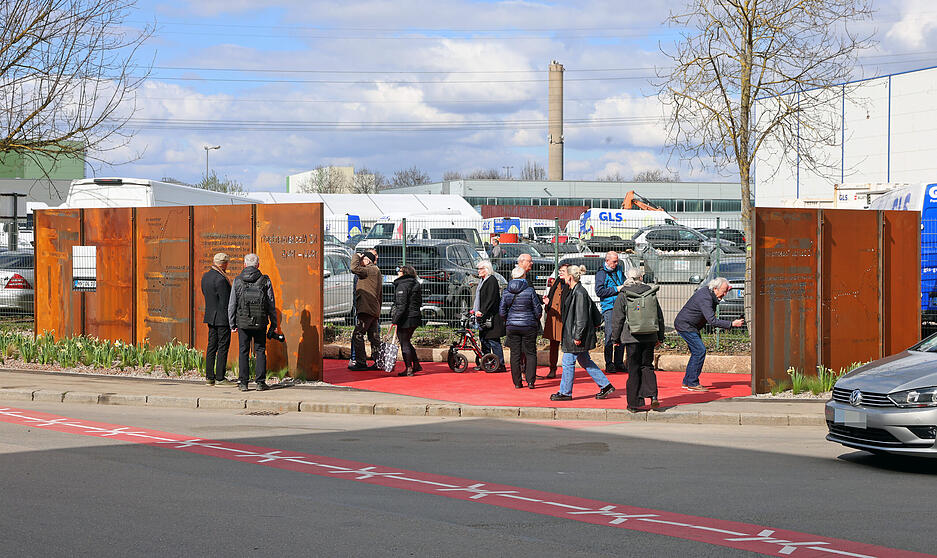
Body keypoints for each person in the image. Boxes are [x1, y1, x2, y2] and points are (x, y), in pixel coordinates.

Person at [550, 265, 615, 401]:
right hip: (575, 333)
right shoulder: (575, 290)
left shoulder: (579, 293)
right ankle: (605, 385)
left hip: (575, 335)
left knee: (568, 363)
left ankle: (565, 392)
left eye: (565, 274)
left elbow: (581, 317)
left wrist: (577, 336)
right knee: (585, 360)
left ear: (571, 277)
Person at [674, 277, 745, 391]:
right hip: (686, 326)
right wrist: (731, 324)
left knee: (696, 352)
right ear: (715, 288)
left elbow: (715, 303)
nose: (725, 294)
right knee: (699, 351)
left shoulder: (709, 293)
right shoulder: (705, 297)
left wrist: (725, 289)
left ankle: (688, 381)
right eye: (724, 291)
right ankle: (692, 382)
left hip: (690, 326)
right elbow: (712, 320)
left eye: (727, 291)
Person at [610, 267, 665, 411]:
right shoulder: (650, 292)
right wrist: (660, 336)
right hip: (649, 335)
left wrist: (615, 338)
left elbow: (618, 318)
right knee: (647, 366)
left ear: (627, 278)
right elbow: (658, 315)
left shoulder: (624, 294)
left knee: (633, 369)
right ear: (641, 278)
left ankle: (634, 404)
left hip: (631, 337)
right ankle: (653, 395)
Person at [227, 253, 277, 392]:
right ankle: (260, 382)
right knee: (260, 350)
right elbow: (271, 304)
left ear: (244, 265)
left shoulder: (237, 281)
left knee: (243, 351)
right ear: (258, 265)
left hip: (242, 322)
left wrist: (232, 324)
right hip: (260, 321)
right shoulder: (265, 281)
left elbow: (232, 304)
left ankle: (243, 383)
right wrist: (274, 323)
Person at [500, 266, 543, 389]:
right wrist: (534, 319)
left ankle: (517, 382)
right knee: (530, 353)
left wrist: (508, 320)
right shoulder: (529, 291)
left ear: (513, 277)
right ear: (524, 276)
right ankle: (530, 381)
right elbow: (538, 309)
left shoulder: (506, 291)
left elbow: (502, 311)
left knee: (515, 354)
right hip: (529, 325)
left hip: (512, 326)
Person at [201, 252, 232, 386]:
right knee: (223, 347)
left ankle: (209, 377)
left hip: (210, 316)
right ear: (224, 263)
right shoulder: (221, 279)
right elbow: (226, 302)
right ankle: (220, 377)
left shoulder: (206, 276)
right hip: (222, 318)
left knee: (211, 346)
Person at [349, 249, 383, 371]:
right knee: (374, 337)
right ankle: (379, 361)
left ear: (367, 260)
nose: (361, 261)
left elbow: (354, 268)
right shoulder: (376, 271)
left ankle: (361, 362)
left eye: (363, 259)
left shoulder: (369, 270)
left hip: (366, 309)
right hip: (373, 309)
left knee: (358, 334)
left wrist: (356, 256)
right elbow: (380, 293)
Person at [594, 251, 626, 374]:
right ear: (607, 261)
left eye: (617, 261)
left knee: (621, 335)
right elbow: (599, 292)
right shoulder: (601, 274)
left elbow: (624, 282)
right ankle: (609, 363)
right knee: (610, 335)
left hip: (621, 306)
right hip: (609, 307)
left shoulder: (619, 270)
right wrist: (616, 289)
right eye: (614, 261)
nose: (616, 263)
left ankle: (619, 362)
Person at [390, 264, 423, 376]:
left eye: (399, 271)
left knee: (404, 342)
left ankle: (408, 368)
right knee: (407, 342)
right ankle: (416, 364)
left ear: (404, 273)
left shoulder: (402, 285)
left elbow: (401, 305)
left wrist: (395, 320)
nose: (398, 272)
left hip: (406, 318)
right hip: (415, 316)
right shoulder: (415, 283)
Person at [474, 259, 506, 372]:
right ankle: (485, 363)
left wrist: (482, 311)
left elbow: (491, 299)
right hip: (484, 317)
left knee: (493, 340)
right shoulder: (482, 281)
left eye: (480, 269)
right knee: (484, 340)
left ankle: (500, 364)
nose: (478, 271)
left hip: (491, 317)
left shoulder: (491, 280)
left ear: (487, 270)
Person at [539, 263, 570, 380]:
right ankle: (552, 369)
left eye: (563, 271)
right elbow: (551, 297)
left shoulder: (572, 284)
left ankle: (567, 371)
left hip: (566, 320)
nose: (560, 272)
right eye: (560, 270)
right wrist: (547, 302)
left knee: (568, 347)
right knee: (553, 346)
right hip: (553, 318)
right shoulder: (556, 282)